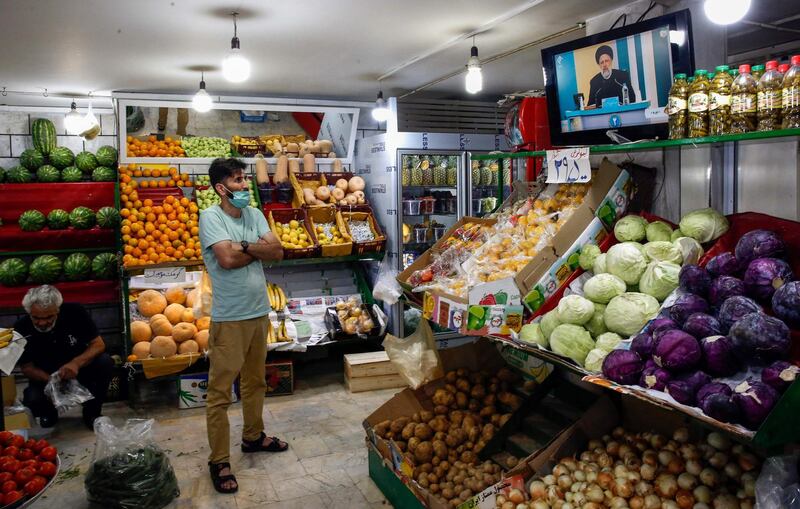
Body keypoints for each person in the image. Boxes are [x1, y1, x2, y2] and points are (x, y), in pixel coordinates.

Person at [198, 158, 287, 494]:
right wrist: (255, 249)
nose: (244, 186)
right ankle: (219, 460)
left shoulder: (254, 214)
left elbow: (277, 251)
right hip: (230, 317)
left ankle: (253, 436)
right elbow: (226, 259)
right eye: (237, 181)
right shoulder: (211, 217)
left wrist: (246, 245)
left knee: (255, 382)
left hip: (258, 312)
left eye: (245, 179)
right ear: (221, 188)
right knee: (220, 394)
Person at [14, 285, 113, 429]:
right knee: (32, 400)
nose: (42, 323)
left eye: (48, 317)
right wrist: (52, 380)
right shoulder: (21, 327)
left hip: (79, 371)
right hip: (45, 378)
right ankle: (49, 412)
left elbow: (98, 345)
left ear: (57, 310)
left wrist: (76, 363)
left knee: (105, 362)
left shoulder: (75, 312)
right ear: (29, 312)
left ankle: (92, 412)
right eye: (36, 317)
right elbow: (27, 367)